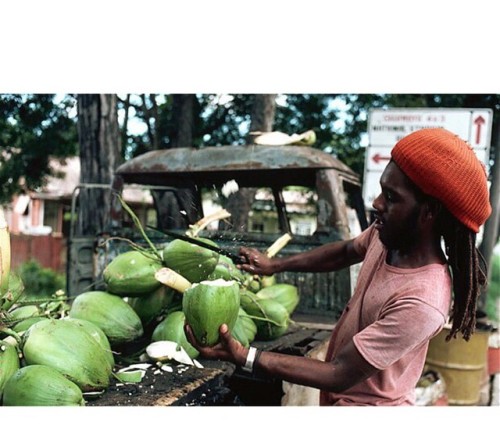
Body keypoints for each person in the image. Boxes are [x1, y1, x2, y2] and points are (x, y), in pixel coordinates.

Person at [185, 127, 492, 406]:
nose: (377, 204)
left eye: (391, 197)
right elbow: (344, 251)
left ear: (429, 212)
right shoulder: (387, 235)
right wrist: (274, 265)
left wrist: (244, 356)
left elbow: (339, 373)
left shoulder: (423, 301)